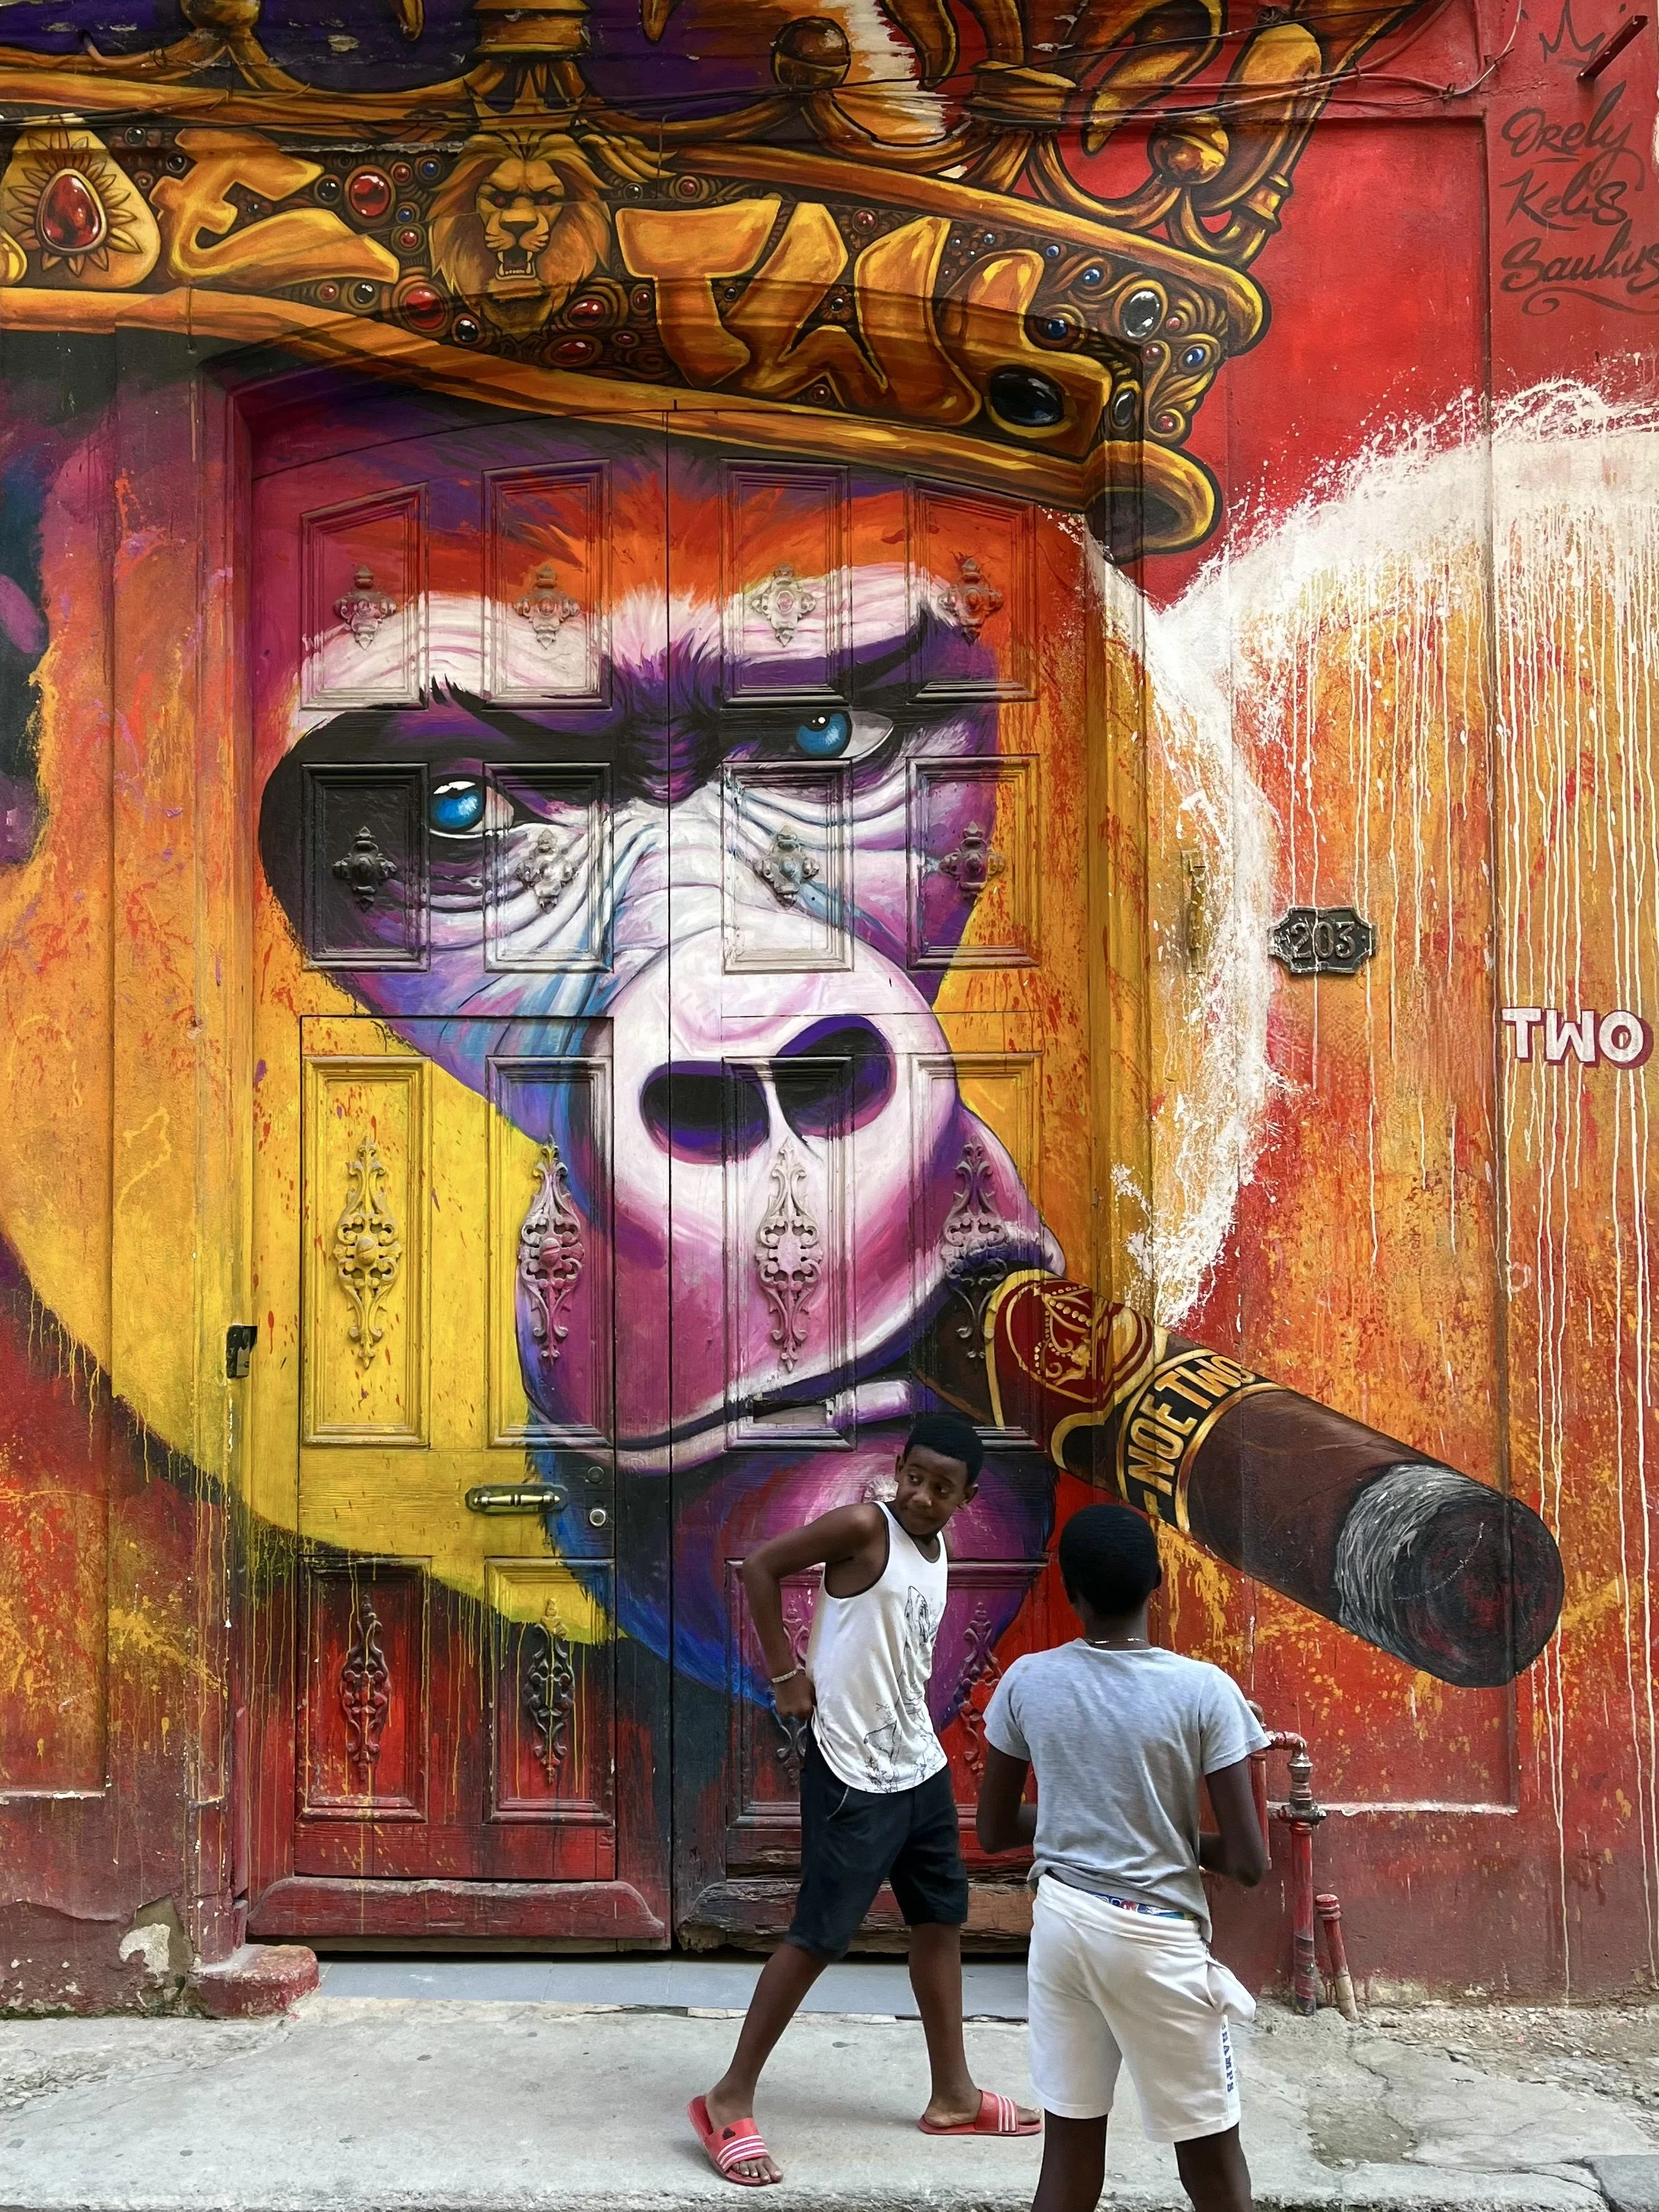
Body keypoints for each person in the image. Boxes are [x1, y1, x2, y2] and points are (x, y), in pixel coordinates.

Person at [690, 1410, 1040, 2187]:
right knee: (818, 1933)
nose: (919, 1494)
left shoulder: (938, 1545)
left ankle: (952, 2094)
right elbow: (760, 1567)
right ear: (899, 1471)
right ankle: (726, 2096)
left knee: (941, 1919)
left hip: (916, 1766)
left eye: (939, 1487)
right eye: (911, 1477)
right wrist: (785, 1675)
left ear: (965, 1497)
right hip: (848, 1767)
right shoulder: (862, 1525)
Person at [976, 1502, 1270, 2212]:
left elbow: (991, 1829)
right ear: (1159, 1582)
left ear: (1068, 1590)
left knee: (1070, 2152)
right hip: (1155, 1938)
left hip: (1063, 1926)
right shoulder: (1202, 1691)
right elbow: (1249, 1860)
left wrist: (1090, 1818)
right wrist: (1161, 1830)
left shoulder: (1027, 1680)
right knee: (1211, 2158)